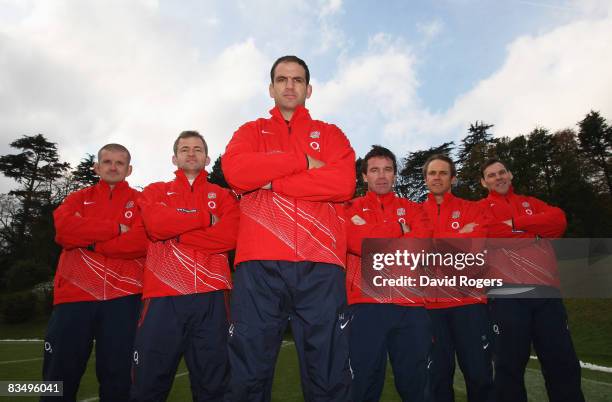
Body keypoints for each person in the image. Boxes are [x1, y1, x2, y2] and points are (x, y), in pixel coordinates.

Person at [222, 55, 356, 402]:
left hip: (321, 264)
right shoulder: (249, 131)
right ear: (271, 88)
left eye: (297, 80)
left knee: (327, 369)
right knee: (249, 366)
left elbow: (342, 183)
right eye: (282, 79)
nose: (290, 86)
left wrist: (270, 183)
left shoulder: (330, 134)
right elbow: (236, 173)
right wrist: (301, 163)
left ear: (309, 89)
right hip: (259, 265)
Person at [131, 131, 239, 402]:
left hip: (212, 296)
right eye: (185, 149)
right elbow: (155, 226)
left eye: (198, 149)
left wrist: (176, 233)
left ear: (207, 157)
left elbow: (230, 237)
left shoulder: (224, 196)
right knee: (148, 381)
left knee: (213, 382)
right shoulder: (155, 191)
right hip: (162, 297)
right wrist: (205, 219)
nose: (191, 153)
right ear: (174, 158)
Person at [42, 143, 147, 402]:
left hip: (123, 298)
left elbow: (140, 242)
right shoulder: (77, 197)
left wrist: (87, 240)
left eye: (119, 163)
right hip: (74, 296)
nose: (113, 167)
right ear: (96, 167)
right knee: (58, 376)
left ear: (129, 169)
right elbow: (64, 231)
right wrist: (115, 228)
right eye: (108, 162)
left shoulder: (142, 201)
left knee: (118, 377)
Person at [479, 158, 584, 402]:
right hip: (507, 295)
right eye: (492, 175)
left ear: (510, 175)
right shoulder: (480, 209)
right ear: (484, 182)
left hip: (546, 294)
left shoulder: (532, 203)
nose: (499, 178)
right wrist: (535, 234)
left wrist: (515, 224)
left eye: (502, 172)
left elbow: (558, 220)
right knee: (508, 367)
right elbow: (488, 234)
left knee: (562, 363)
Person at [344, 145, 432, 402]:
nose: (381, 176)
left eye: (387, 170)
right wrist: (399, 228)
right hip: (365, 305)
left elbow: (421, 246)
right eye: (374, 170)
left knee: (416, 384)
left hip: (411, 305)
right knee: (363, 383)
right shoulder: (348, 208)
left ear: (395, 174)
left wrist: (372, 232)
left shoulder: (416, 210)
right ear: (364, 176)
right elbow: (354, 243)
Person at [421, 154, 494, 402]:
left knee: (480, 375)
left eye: (443, 173)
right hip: (430, 306)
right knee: (437, 380)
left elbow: (476, 248)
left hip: (469, 304)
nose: (437, 177)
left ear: (453, 178)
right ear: (425, 179)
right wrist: (458, 236)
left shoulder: (474, 209)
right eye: (432, 173)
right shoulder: (415, 213)